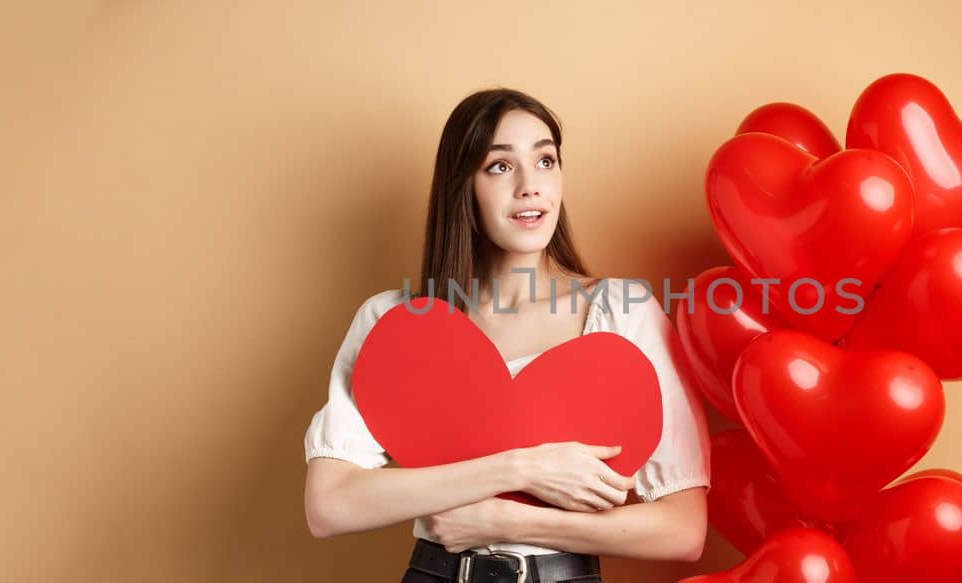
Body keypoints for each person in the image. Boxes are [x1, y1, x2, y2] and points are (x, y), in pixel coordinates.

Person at [302, 88, 711, 583]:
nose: (529, 186)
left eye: (545, 160)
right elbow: (329, 506)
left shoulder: (622, 312)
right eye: (499, 166)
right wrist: (522, 468)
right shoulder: (393, 324)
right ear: (463, 187)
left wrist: (507, 519)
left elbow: (684, 530)